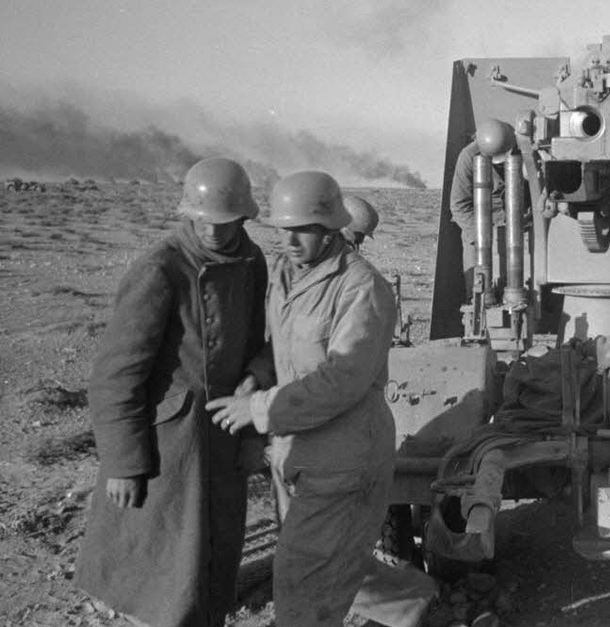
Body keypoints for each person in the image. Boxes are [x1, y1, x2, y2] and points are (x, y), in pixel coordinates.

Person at [207, 170, 433, 627]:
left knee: (300, 584)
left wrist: (257, 410)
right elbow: (284, 345)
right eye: (283, 229)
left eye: (303, 230)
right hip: (296, 453)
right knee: (332, 564)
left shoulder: (362, 288)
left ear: (331, 227)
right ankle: (415, 603)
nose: (290, 241)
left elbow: (342, 379)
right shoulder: (287, 274)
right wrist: (256, 375)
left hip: (345, 459)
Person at [76, 157, 269, 627]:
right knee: (161, 571)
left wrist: (251, 426)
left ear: (244, 217)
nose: (213, 232)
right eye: (203, 221)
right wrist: (124, 463)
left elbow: (252, 346)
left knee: (212, 565)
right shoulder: (161, 268)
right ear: (188, 213)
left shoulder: (251, 261)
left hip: (222, 437)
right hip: (168, 448)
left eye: (225, 222)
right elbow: (116, 376)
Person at [449, 119, 514, 299]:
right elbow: (459, 205)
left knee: (517, 292)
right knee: (480, 294)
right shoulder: (469, 156)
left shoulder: (522, 151)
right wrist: (481, 237)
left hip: (517, 230)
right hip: (478, 230)